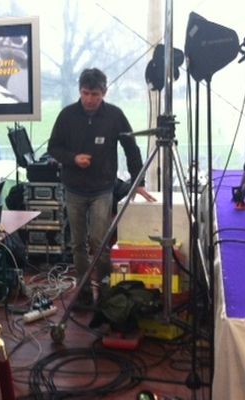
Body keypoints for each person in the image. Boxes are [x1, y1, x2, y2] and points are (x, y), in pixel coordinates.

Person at [48, 68, 155, 306]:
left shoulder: (115, 116)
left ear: (104, 92)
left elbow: (131, 149)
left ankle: (106, 289)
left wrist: (138, 182)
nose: (89, 99)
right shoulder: (67, 116)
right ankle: (84, 289)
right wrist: (73, 158)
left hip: (102, 189)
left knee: (100, 241)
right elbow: (53, 148)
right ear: (80, 91)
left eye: (95, 94)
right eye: (85, 93)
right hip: (73, 188)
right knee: (77, 243)